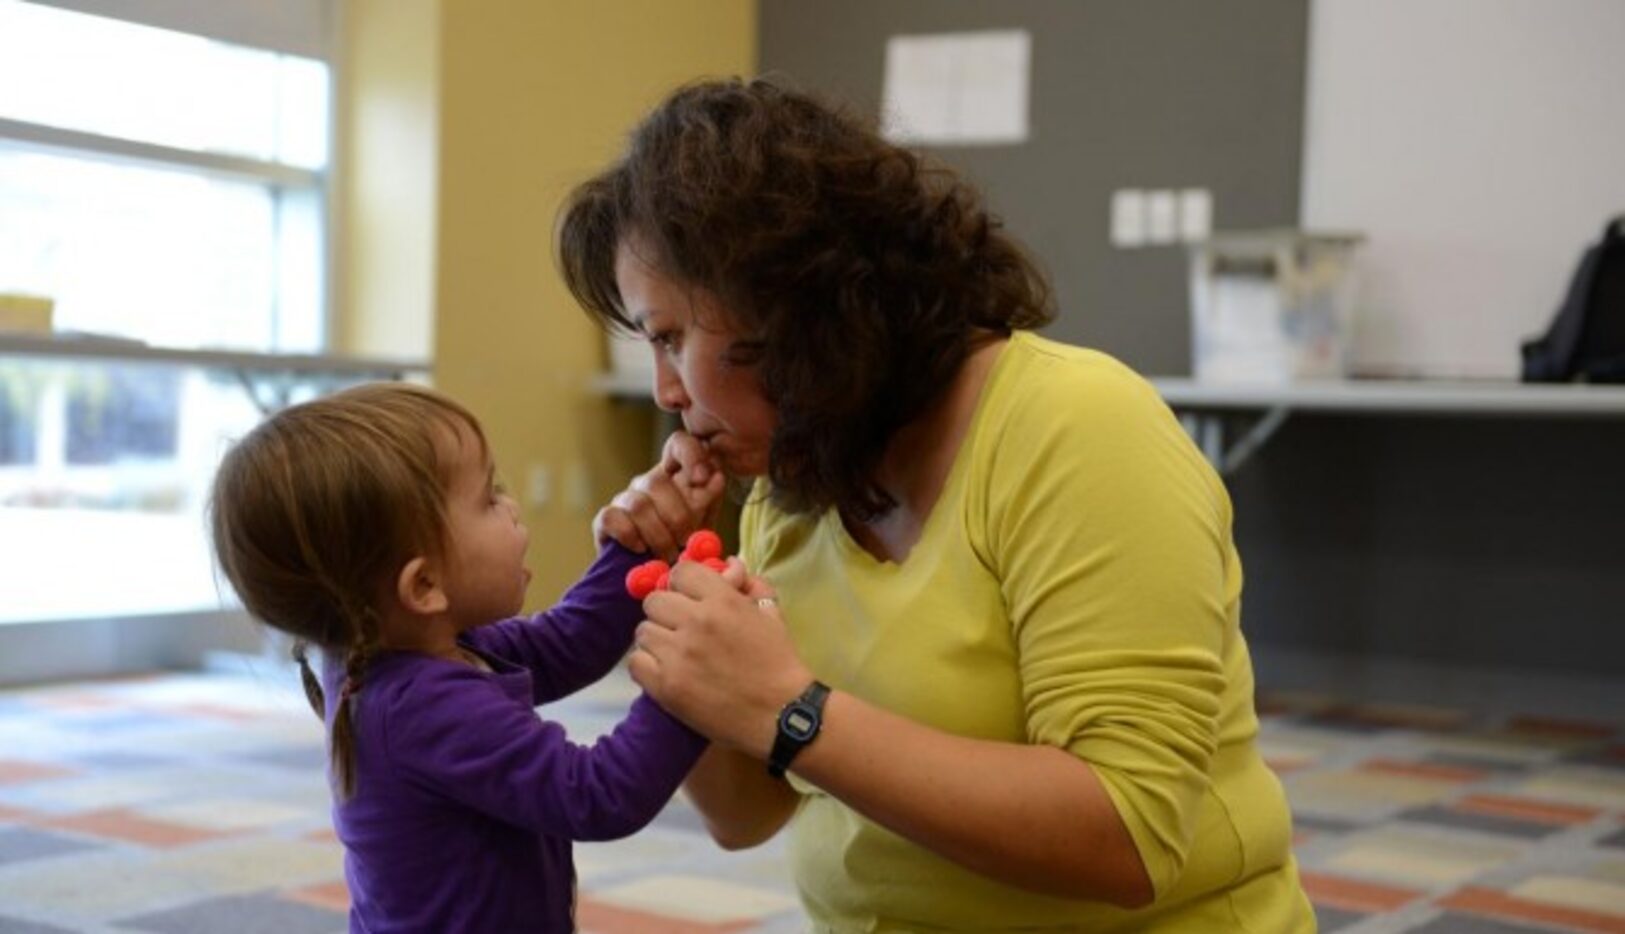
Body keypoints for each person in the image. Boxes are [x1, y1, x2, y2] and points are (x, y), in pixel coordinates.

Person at [557, 77, 1316, 931]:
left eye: (669, 337)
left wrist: (791, 709)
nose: (663, 389)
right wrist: (670, 617)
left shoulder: (1076, 426)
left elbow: (1125, 836)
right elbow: (745, 818)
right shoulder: (795, 484)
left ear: (788, 302)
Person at [208, 382, 726, 933]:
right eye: (489, 498)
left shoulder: (411, 650)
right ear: (424, 583)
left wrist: (640, 548)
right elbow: (596, 794)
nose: (512, 505)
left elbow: (562, 645)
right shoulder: (422, 708)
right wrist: (689, 677)